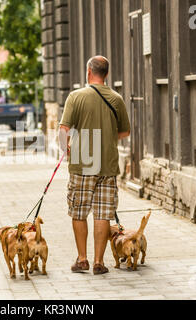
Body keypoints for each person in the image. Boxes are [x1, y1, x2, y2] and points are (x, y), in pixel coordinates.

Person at [59, 56, 131, 275]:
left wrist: (66, 149)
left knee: (79, 212)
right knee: (103, 213)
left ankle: (82, 260)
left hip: (82, 163)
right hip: (107, 163)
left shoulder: (76, 97)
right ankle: (99, 262)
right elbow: (125, 132)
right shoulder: (116, 98)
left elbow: (64, 130)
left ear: (89, 71)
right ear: (106, 74)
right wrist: (106, 139)